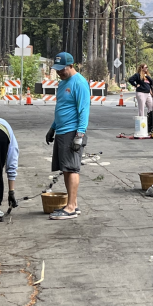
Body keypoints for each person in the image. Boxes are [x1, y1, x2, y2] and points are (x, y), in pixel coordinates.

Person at [45, 52, 90, 220]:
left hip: (73, 132)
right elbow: (62, 107)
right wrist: (52, 128)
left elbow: (84, 109)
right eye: (56, 69)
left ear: (71, 65)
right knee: (65, 169)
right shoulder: (63, 83)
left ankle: (71, 207)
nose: (59, 72)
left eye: (62, 69)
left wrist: (80, 134)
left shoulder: (79, 82)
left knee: (71, 169)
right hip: (62, 131)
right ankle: (73, 204)